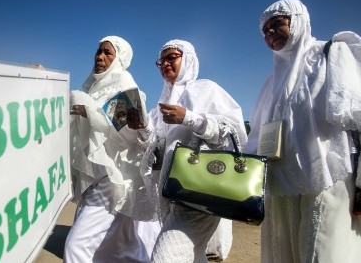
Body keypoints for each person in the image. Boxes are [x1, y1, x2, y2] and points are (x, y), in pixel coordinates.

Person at [245, 0, 361, 263]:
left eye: (277, 24)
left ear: (298, 21)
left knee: (323, 252)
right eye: (265, 31)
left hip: (327, 178)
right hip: (281, 185)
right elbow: (257, 137)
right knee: (284, 253)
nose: (270, 33)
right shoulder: (270, 84)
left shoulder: (333, 53)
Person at [142, 39, 247, 262]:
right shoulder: (162, 103)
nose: (165, 64)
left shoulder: (205, 89)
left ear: (187, 59)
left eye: (172, 58)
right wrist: (141, 129)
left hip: (199, 191)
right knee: (192, 255)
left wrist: (189, 118)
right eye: (161, 61)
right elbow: (155, 146)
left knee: (165, 257)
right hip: (173, 192)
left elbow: (232, 131)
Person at [65, 36, 160, 262]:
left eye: (108, 53)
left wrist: (88, 111)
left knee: (76, 245)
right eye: (99, 51)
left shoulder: (126, 88)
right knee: (116, 245)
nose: (100, 57)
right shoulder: (92, 86)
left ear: (120, 58)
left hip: (111, 176)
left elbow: (125, 134)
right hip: (92, 172)